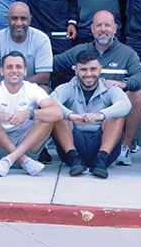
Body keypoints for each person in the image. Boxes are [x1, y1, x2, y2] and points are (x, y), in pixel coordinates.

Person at [51, 11, 141, 164]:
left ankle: (125, 147)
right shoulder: (79, 51)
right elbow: (51, 64)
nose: (103, 29)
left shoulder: (126, 53)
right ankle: (70, 150)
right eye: (99, 25)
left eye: (107, 25)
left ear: (115, 28)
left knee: (139, 94)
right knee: (51, 104)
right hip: (80, 118)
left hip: (112, 114)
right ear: (92, 29)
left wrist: (124, 83)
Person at [0, 51, 62, 176]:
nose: (14, 70)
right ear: (1, 71)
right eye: (9, 67)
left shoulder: (33, 89)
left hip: (27, 149)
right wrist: (4, 116)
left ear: (25, 71)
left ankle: (11, 158)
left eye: (18, 67)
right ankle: (21, 160)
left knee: (47, 119)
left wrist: (28, 113)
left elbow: (57, 113)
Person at [50, 49, 131, 179]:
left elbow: (126, 104)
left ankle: (101, 160)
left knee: (118, 115)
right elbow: (51, 101)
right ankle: (74, 158)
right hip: (73, 145)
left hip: (102, 146)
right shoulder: (68, 87)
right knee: (57, 114)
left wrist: (101, 115)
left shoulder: (109, 88)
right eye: (83, 70)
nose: (89, 74)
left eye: (93, 69)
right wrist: (71, 115)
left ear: (100, 69)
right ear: (76, 70)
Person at [0, 3, 53, 86]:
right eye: (14, 18)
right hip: (1, 89)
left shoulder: (41, 39)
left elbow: (44, 76)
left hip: (31, 87)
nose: (19, 23)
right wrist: (2, 91)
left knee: (43, 89)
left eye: (23, 19)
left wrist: (17, 87)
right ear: (7, 19)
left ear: (30, 19)